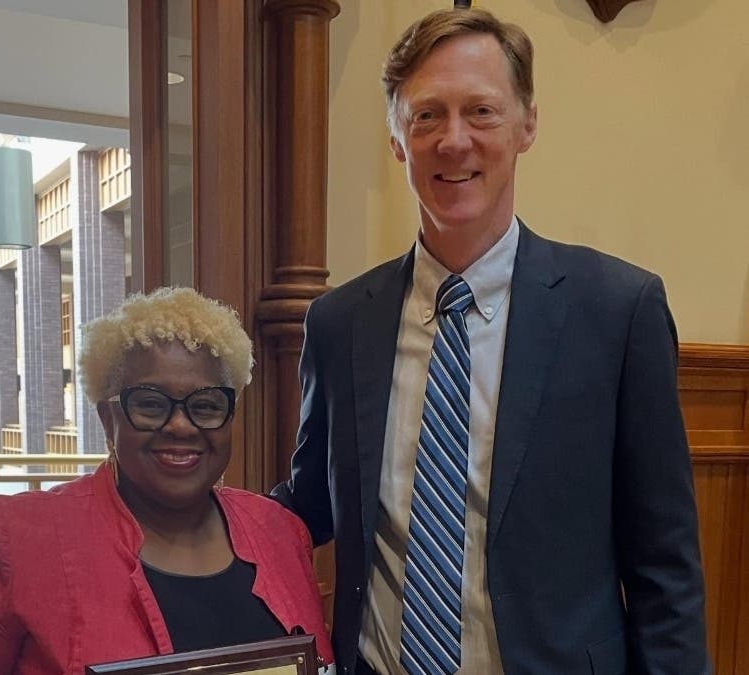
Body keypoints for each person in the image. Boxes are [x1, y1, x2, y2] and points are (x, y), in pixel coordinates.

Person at [272, 7, 709, 675]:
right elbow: (308, 506)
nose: (454, 140)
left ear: (527, 123)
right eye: (427, 115)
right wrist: (174, 501)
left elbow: (665, 571)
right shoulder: (339, 325)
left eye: (481, 111)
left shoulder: (619, 312)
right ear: (396, 137)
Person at [0, 287, 334, 674]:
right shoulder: (10, 541)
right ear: (107, 416)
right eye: (151, 404)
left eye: (207, 404)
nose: (181, 426)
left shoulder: (280, 532)